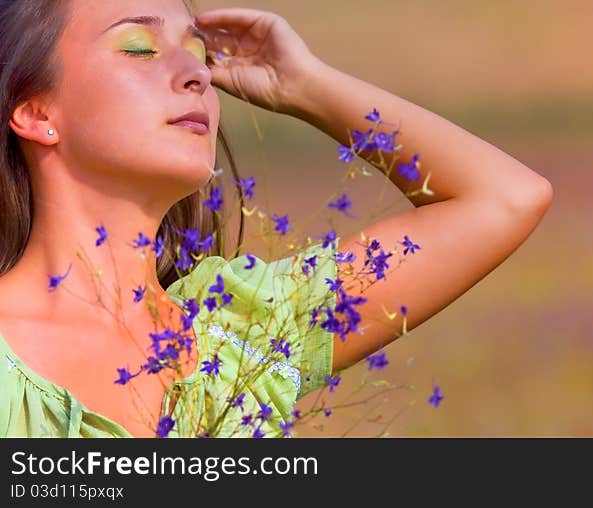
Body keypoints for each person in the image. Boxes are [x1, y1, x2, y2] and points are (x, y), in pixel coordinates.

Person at [0, 0, 553, 438]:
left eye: (199, 53)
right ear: (35, 111)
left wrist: (304, 85)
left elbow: (505, 197)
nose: (194, 73)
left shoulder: (247, 329)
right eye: (140, 48)